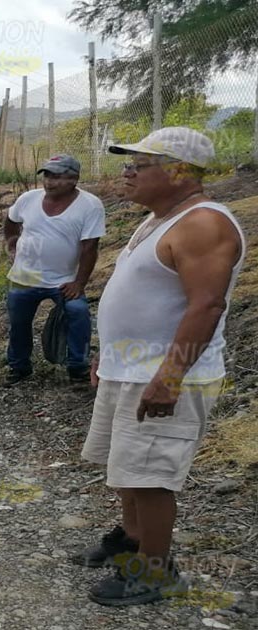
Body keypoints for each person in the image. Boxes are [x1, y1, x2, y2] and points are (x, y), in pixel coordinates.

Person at [73, 127, 244, 606]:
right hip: (129, 370)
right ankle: (132, 539)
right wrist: (108, 358)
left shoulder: (203, 224)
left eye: (138, 165)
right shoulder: (159, 219)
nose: (126, 173)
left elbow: (206, 306)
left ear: (179, 171)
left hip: (165, 374)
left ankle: (156, 568)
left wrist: (170, 377)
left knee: (150, 476)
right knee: (126, 466)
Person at [3, 154, 105, 385]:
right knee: (18, 323)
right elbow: (11, 222)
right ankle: (19, 367)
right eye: (47, 175)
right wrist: (12, 247)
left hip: (64, 280)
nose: (49, 181)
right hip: (24, 277)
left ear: (74, 179)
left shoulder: (90, 205)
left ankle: (78, 366)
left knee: (78, 314)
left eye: (57, 177)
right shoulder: (28, 199)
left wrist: (79, 283)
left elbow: (90, 247)